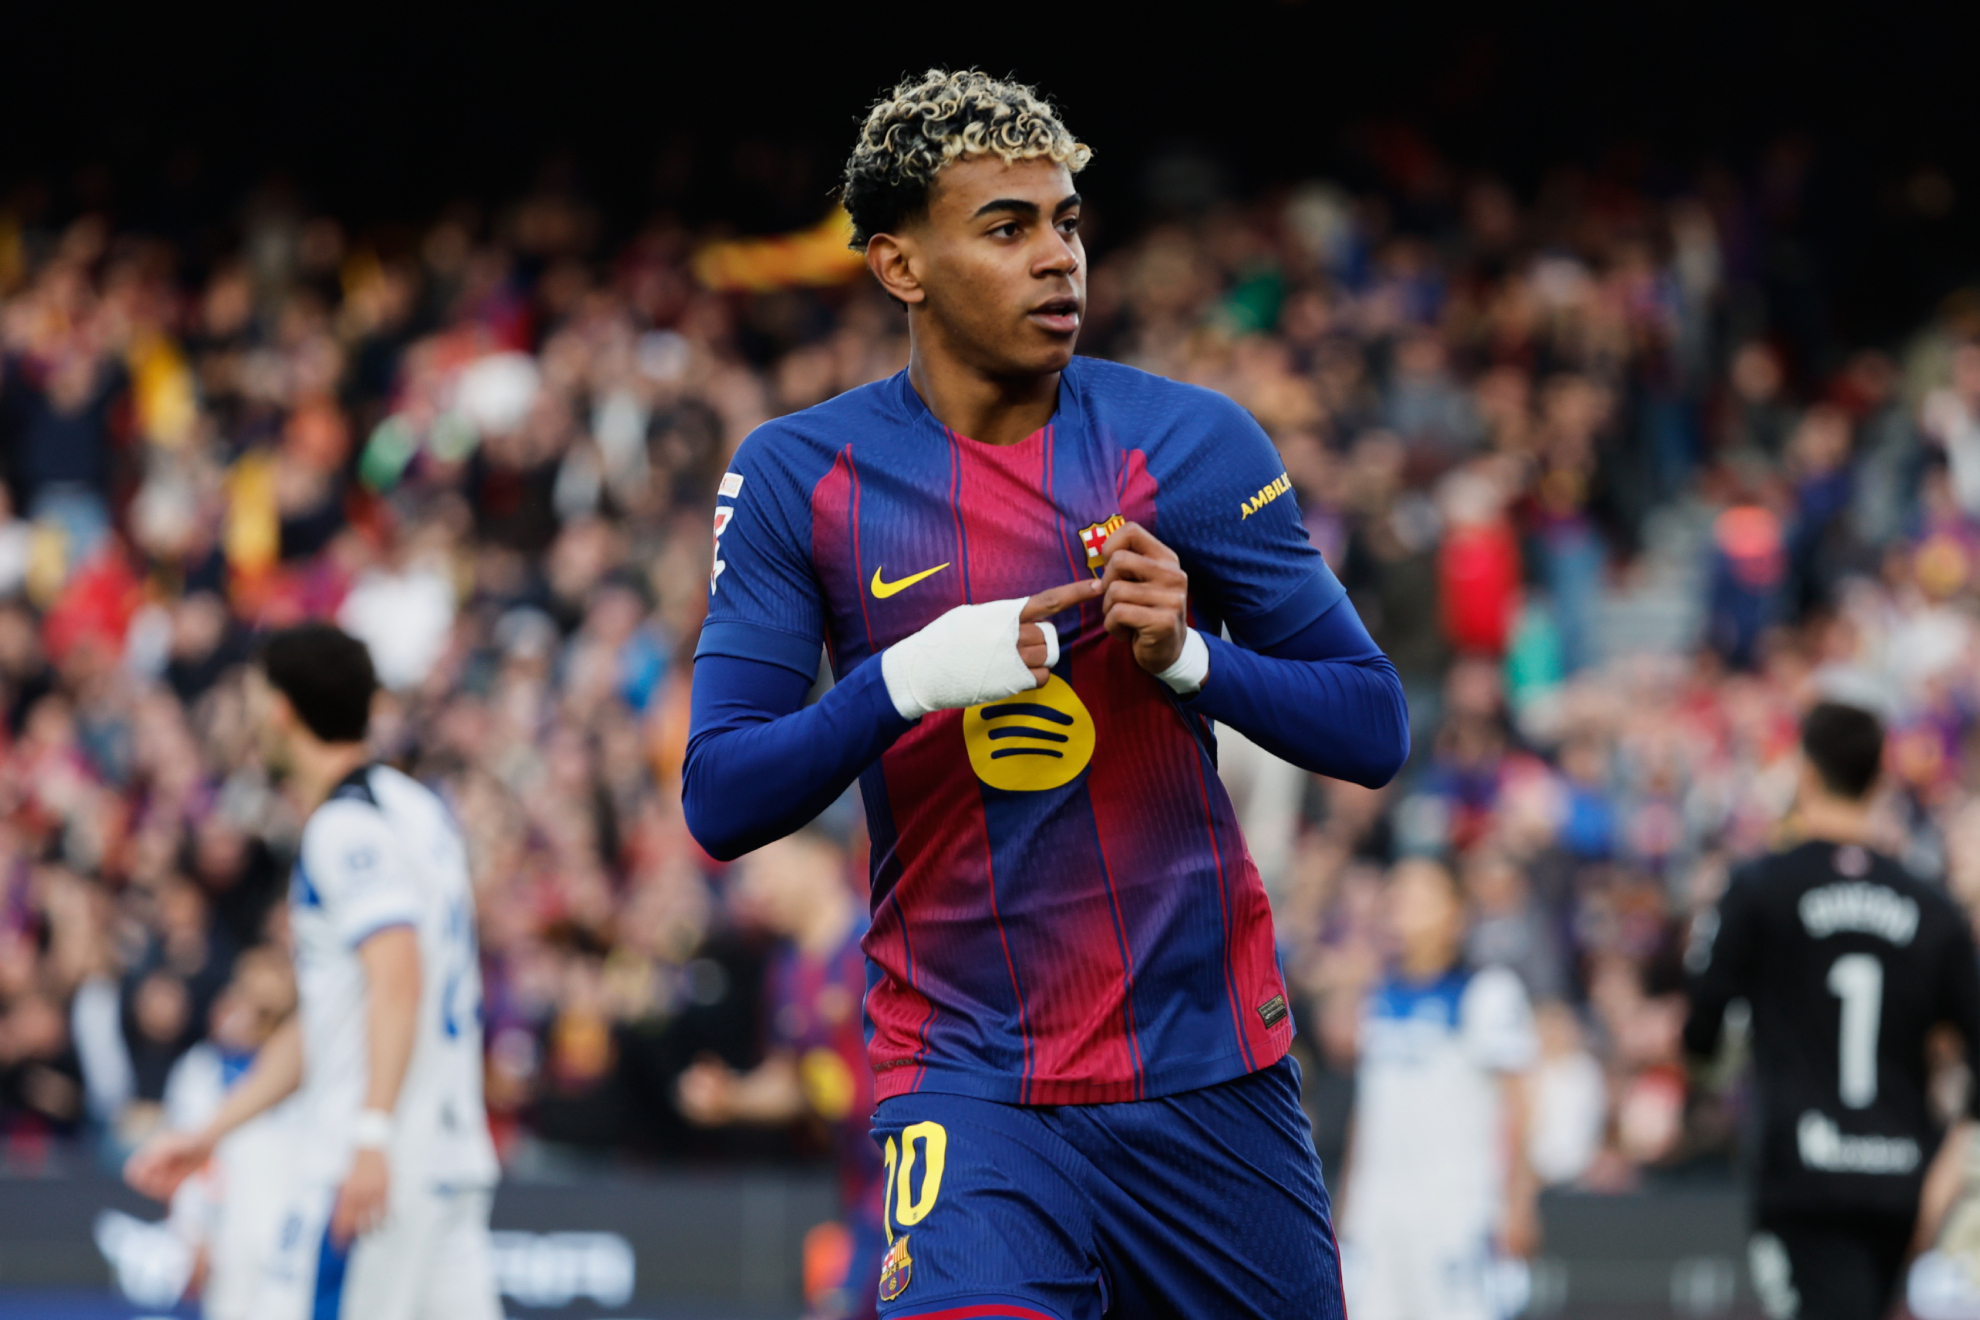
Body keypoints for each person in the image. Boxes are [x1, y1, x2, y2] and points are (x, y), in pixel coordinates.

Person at [683, 69, 1409, 1319]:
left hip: (1208, 1073)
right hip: (966, 1079)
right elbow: (722, 793)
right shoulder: (802, 476)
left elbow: (1372, 722)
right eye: (1006, 228)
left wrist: (1191, 660)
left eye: (1065, 221)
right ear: (898, 264)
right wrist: (907, 678)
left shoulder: (1190, 444)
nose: (1057, 257)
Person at [125, 623, 501, 1320]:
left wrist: (371, 1137)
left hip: (372, 1168)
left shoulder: (341, 830)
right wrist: (211, 1132)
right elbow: (340, 1018)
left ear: (281, 710)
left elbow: (398, 975)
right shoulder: (420, 811)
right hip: (451, 1160)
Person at [1684, 701, 1980, 1320]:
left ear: (1806, 773)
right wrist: (1949, 1163)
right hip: (1901, 1175)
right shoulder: (1930, 905)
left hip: (1802, 1172)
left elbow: (1701, 1031)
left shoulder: (1760, 888)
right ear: (1880, 779)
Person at [677, 829, 885, 1320]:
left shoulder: (878, 948)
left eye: (764, 866)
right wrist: (732, 1096)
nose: (753, 885)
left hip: (908, 1179)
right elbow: (798, 1079)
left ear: (821, 857)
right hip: (856, 1187)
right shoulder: (788, 968)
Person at [1339, 857, 1539, 1320]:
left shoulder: (1488, 994)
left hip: (1456, 1211)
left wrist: (1519, 1205)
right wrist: (1347, 1207)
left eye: (1419, 898)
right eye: (1397, 897)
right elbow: (1368, 1113)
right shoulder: (1378, 996)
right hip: (1379, 1215)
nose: (1401, 909)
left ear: (1455, 913)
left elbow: (1521, 1106)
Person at [159, 946, 301, 1320]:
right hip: (232, 1236)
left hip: (296, 1234)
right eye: (247, 993)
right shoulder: (201, 1069)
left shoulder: (311, 1068)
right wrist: (193, 1233)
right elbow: (194, 1162)